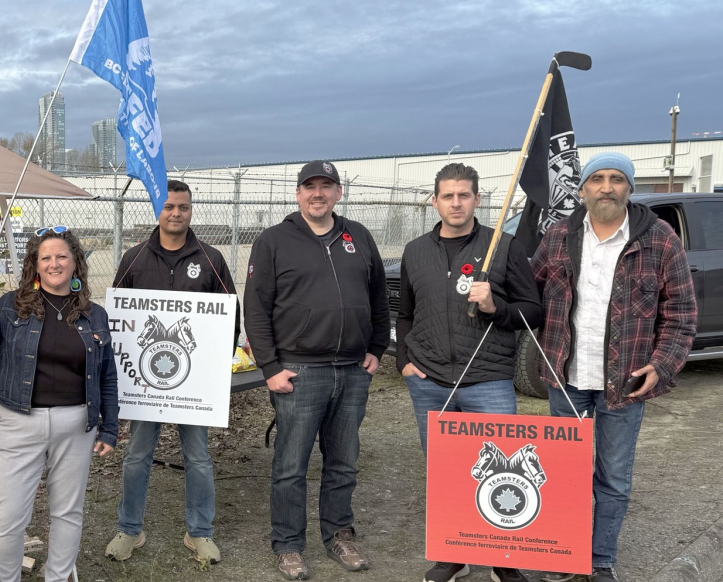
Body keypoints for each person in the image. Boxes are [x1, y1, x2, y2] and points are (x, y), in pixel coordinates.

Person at [531, 153, 696, 582]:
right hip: (565, 379)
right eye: (598, 179)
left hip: (625, 383)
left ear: (630, 188)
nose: (607, 187)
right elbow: (529, 293)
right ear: (582, 188)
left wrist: (662, 365)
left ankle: (600, 559)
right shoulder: (558, 236)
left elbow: (680, 313)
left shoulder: (660, 239)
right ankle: (564, 553)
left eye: (617, 179)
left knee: (613, 478)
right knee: (564, 473)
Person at [244, 160, 390, 580]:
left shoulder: (358, 237)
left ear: (339, 193)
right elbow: (256, 310)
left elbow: (378, 296)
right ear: (298, 193)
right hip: (298, 371)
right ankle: (288, 545)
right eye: (310, 186)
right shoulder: (273, 241)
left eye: (327, 186)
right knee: (291, 464)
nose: (318, 194)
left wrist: (378, 347)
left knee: (343, 460)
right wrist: (270, 367)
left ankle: (339, 534)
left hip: (352, 370)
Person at [395, 163, 542, 582]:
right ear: (435, 200)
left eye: (464, 195)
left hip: (488, 380)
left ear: (477, 199)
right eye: (447, 196)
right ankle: (452, 554)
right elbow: (405, 313)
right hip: (430, 381)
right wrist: (405, 359)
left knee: (502, 471)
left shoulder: (506, 247)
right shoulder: (415, 251)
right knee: (446, 473)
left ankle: (503, 559)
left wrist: (497, 306)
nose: (455, 203)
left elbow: (533, 311)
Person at [0, 227, 118, 582]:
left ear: (76, 263)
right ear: (35, 264)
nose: (54, 263)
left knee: (67, 513)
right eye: (46, 257)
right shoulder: (11, 307)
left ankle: (58, 577)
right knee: (11, 516)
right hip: (19, 422)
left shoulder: (95, 315)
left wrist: (109, 426)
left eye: (62, 256)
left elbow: (107, 375)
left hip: (76, 424)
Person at [104, 180, 239, 564]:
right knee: (135, 456)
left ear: (191, 210)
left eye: (183, 207)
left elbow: (230, 317)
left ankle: (199, 533)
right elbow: (118, 318)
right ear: (157, 211)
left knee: (198, 458)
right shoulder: (134, 257)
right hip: (146, 384)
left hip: (192, 385)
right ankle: (130, 530)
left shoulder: (211, 258)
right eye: (169, 207)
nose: (176, 213)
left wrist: (214, 369)